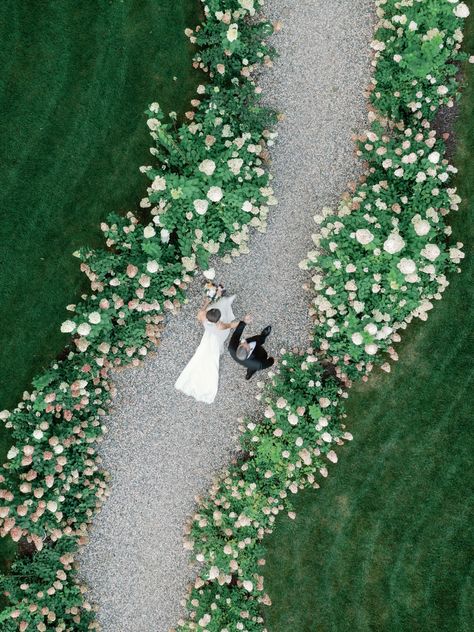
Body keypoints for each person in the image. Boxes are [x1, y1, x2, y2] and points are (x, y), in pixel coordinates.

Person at [174, 294, 238, 404]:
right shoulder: (220, 326)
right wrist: (241, 323)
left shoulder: (202, 315)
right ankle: (227, 302)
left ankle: (226, 301)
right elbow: (231, 326)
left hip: (208, 333)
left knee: (203, 353)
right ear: (218, 319)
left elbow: (203, 309)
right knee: (212, 355)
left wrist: (207, 302)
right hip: (217, 335)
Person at [228, 315, 274, 380]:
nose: (243, 341)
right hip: (259, 355)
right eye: (245, 344)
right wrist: (272, 359)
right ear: (248, 349)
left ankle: (263, 336)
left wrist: (244, 322)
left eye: (241, 343)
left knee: (257, 339)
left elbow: (237, 333)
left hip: (249, 360)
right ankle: (249, 373)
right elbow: (269, 362)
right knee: (253, 368)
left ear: (238, 347)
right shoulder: (258, 364)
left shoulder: (232, 347)